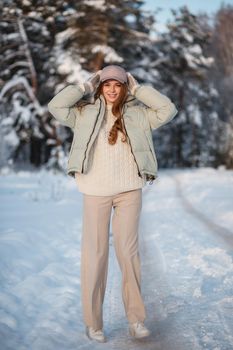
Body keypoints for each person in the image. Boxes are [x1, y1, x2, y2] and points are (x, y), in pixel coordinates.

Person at [48, 65, 178, 343]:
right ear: (100, 86)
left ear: (124, 87)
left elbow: (168, 110)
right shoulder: (84, 111)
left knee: (128, 255)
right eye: (106, 84)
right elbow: (55, 106)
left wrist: (139, 88)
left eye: (117, 85)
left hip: (129, 190)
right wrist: (83, 86)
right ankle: (93, 323)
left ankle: (136, 320)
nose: (111, 89)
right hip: (95, 191)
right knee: (94, 257)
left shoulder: (138, 113)